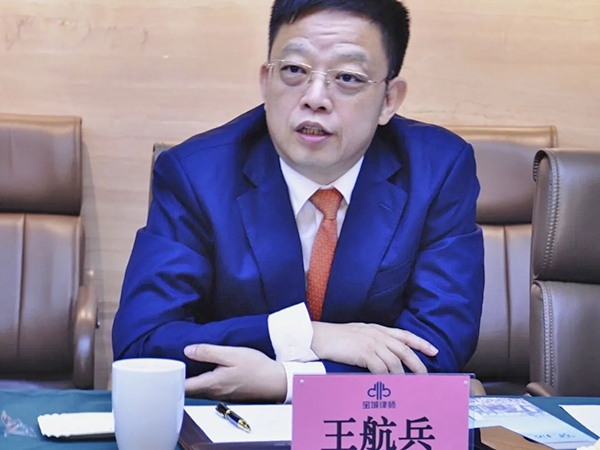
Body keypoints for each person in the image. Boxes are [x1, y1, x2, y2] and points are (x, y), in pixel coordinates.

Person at [112, 0, 484, 403]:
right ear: (265, 80)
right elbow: (142, 345)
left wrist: (289, 382)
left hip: (372, 428)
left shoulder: (436, 170)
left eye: (347, 77)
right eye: (294, 70)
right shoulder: (196, 174)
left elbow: (436, 351)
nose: (315, 98)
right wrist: (305, 335)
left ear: (389, 99)